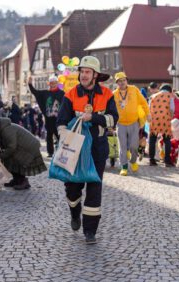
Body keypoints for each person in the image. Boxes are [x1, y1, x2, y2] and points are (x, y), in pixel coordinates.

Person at [57, 55, 118, 244]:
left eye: (87, 72)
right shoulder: (71, 94)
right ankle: (75, 212)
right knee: (72, 188)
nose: (83, 75)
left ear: (95, 75)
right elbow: (61, 121)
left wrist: (93, 118)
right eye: (82, 71)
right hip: (75, 149)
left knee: (94, 189)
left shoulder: (107, 94)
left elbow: (113, 119)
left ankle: (90, 231)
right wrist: (64, 136)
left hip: (97, 149)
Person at [0, 117, 46, 190]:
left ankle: (23, 182)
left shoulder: (6, 130)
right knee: (9, 159)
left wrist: (0, 155)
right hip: (21, 146)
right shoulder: (0, 131)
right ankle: (16, 180)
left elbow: (11, 147)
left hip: (28, 147)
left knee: (17, 159)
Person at [113, 71, 148, 176]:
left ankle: (133, 161)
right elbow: (110, 108)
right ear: (117, 83)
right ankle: (124, 167)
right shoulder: (114, 94)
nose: (122, 82)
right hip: (121, 123)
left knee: (134, 145)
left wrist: (148, 113)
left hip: (134, 122)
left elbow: (143, 102)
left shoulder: (134, 89)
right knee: (122, 146)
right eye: (120, 81)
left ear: (126, 80)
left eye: (124, 80)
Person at [28, 75, 65, 157]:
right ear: (49, 84)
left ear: (57, 83)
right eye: (51, 83)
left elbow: (67, 104)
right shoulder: (45, 93)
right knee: (49, 135)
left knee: (59, 135)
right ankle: (50, 152)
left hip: (58, 119)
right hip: (48, 118)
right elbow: (35, 92)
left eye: (55, 83)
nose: (53, 84)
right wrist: (30, 84)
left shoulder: (62, 93)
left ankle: (62, 151)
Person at [148, 84, 175, 167]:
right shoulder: (170, 96)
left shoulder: (152, 96)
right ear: (169, 90)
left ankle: (151, 160)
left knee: (152, 140)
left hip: (154, 120)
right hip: (165, 119)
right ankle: (167, 161)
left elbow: (149, 108)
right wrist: (170, 116)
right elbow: (172, 109)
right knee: (167, 140)